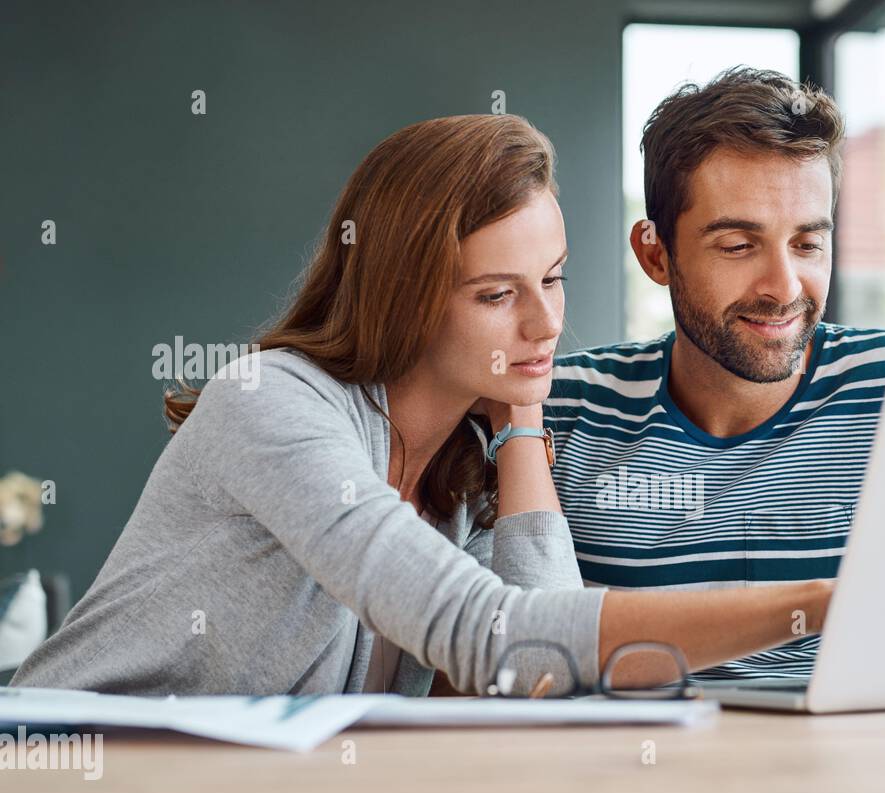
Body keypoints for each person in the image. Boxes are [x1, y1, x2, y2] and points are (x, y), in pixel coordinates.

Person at [11, 114, 830, 697]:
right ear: (405, 299)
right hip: (71, 785)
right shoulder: (272, 405)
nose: (547, 323)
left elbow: (536, 682)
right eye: (496, 294)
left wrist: (523, 417)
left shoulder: (456, 476)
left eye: (552, 279)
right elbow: (501, 638)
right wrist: (820, 604)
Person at [544, 68, 885, 682]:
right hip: (634, 768)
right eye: (739, 245)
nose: (784, 288)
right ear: (656, 254)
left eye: (807, 244)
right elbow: (513, 655)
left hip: (857, 764)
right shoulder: (560, 409)